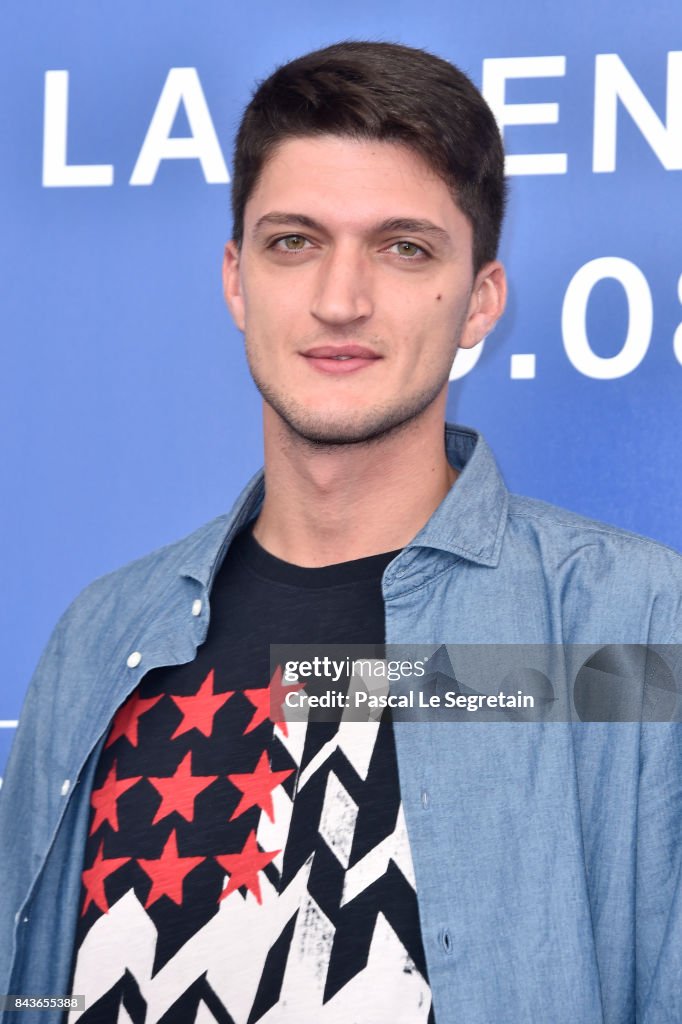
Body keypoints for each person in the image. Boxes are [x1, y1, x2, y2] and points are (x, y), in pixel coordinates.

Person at [1, 40, 681, 1024]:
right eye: (294, 242)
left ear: (481, 298)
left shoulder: (631, 622)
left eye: (404, 246)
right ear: (236, 280)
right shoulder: (101, 638)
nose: (339, 299)